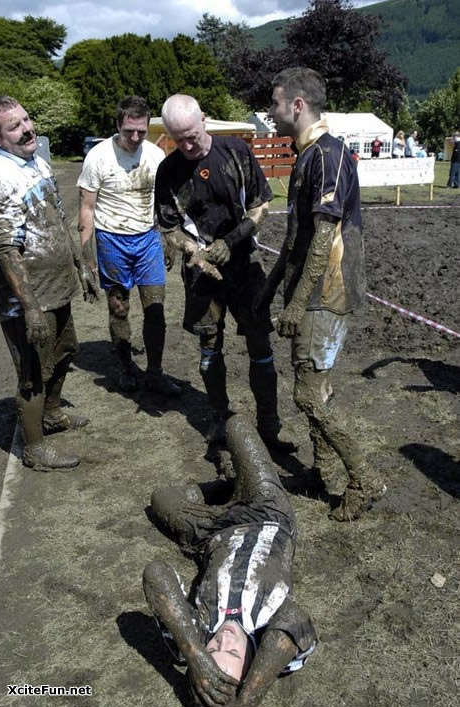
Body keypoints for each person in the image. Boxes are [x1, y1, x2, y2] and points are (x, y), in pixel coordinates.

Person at [255, 67, 385, 522]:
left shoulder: (327, 155)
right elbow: (294, 236)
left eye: (274, 104)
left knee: (309, 395)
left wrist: (294, 303)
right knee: (316, 388)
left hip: (326, 291)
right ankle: (322, 470)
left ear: (296, 105)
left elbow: (323, 238)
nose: (269, 113)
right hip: (309, 289)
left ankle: (363, 478)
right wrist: (270, 290)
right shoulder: (306, 154)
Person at [143, 414, 316, 707]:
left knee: (161, 500)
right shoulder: (270, 638)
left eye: (213, 650)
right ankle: (239, 485)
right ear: (252, 665)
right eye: (233, 652)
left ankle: (231, 487)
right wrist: (247, 699)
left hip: (212, 532)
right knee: (237, 427)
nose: (224, 638)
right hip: (269, 512)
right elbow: (294, 622)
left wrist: (196, 656)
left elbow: (156, 573)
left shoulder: (195, 633)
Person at [155, 94, 292, 449]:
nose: (187, 145)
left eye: (192, 135)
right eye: (178, 138)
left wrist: (231, 241)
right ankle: (220, 417)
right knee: (209, 347)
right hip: (201, 274)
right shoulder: (168, 171)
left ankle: (270, 426)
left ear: (205, 119)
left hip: (246, 265)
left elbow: (261, 205)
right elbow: (168, 227)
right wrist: (194, 252)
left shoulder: (235, 152)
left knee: (260, 344)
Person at [0, 95, 99, 471]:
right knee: (32, 372)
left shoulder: (38, 163)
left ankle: (51, 416)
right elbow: (6, 251)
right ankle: (34, 449)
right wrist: (28, 307)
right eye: (13, 126)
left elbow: (61, 222)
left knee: (65, 353)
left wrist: (83, 267)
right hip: (26, 299)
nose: (27, 128)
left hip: (56, 287)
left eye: (26, 119)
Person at [77, 95, 180, 396]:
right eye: (128, 131)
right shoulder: (98, 157)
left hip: (147, 238)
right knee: (119, 308)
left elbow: (165, 201)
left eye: (141, 131)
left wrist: (169, 239)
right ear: (118, 125)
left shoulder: (155, 155)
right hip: (112, 240)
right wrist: (86, 256)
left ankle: (156, 372)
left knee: (156, 309)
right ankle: (125, 369)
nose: (135, 138)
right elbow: (86, 208)